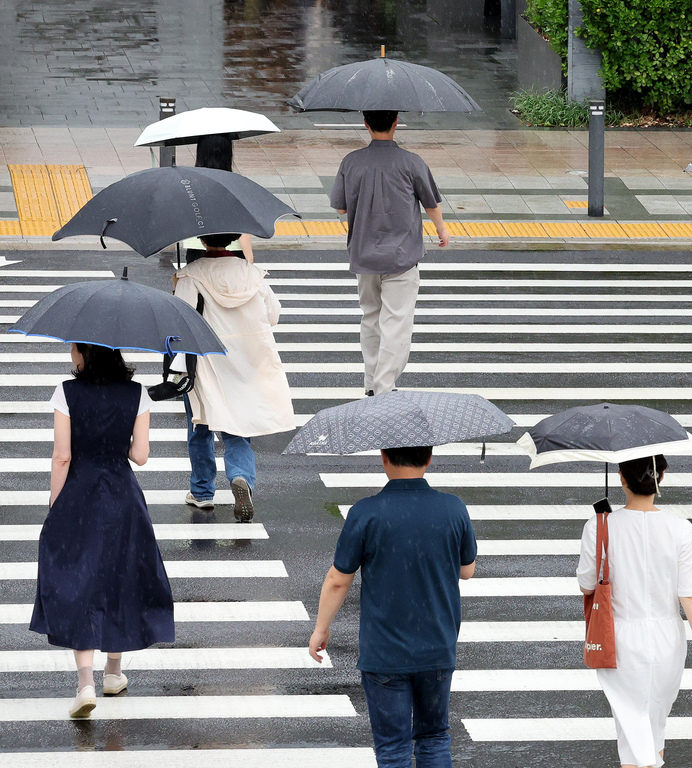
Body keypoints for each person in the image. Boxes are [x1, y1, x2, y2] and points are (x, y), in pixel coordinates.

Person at [310, 445, 477, 767]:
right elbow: (466, 570)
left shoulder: (367, 512)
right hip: (437, 647)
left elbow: (337, 580)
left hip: (384, 652)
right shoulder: (452, 508)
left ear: (384, 458)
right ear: (429, 459)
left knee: (393, 748)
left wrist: (321, 628)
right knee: (434, 737)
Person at [33, 343, 174, 718]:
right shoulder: (137, 393)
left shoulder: (66, 392)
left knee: (81, 581)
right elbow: (140, 455)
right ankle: (114, 672)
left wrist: (54, 506)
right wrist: (117, 438)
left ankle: (85, 682)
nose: (70, 354)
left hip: (79, 495)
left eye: (73, 348)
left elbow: (62, 456)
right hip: (123, 498)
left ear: (84, 353)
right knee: (120, 578)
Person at [577, 456, 692, 768]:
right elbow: (688, 594)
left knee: (632, 731)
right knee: (654, 725)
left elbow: (587, 585)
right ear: (661, 478)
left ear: (622, 479)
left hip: (620, 639)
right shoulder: (680, 528)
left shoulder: (600, 527)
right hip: (668, 638)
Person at [174, 233, 295, 522]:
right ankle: (241, 477)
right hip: (246, 360)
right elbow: (273, 315)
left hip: (206, 362)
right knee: (238, 425)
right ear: (232, 241)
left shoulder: (191, 276)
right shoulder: (252, 275)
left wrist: (178, 285)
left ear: (202, 242)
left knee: (200, 424)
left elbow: (180, 319)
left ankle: (202, 491)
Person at [331, 109, 450, 397]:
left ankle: (372, 384)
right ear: (396, 122)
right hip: (401, 256)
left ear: (365, 123)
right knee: (396, 322)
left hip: (363, 255)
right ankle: (384, 387)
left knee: (370, 317)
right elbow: (431, 203)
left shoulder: (351, 162)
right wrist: (441, 229)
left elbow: (341, 207)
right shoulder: (411, 162)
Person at [180, 134, 255, 263]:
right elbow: (243, 222)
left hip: (196, 250)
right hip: (231, 250)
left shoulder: (190, 183)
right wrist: (249, 255)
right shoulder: (234, 184)